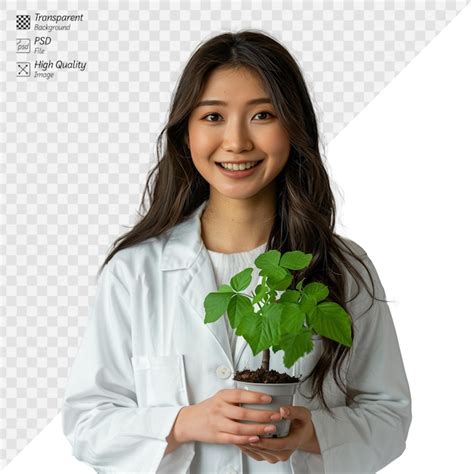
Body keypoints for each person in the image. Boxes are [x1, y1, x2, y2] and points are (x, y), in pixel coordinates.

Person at [61, 30, 411, 473]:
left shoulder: (343, 268)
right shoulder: (135, 272)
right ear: (185, 132)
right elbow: (87, 423)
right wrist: (184, 423)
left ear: (293, 127)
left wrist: (315, 434)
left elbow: (389, 414)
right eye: (212, 117)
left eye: (262, 115)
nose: (237, 141)